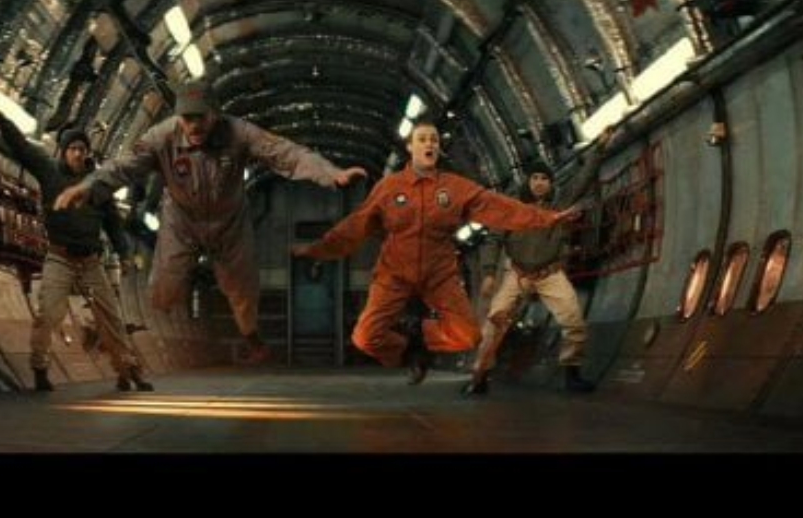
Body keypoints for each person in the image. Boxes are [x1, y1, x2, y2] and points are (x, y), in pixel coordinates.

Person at [53, 78, 367, 364]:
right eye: (186, 118)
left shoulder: (240, 133)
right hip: (181, 221)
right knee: (163, 290)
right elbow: (123, 166)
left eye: (199, 117)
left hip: (229, 222)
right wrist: (87, 187)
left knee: (242, 288)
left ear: (215, 114)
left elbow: (287, 154)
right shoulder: (162, 136)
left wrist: (331, 174)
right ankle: (128, 331)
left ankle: (251, 337)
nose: (193, 126)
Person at [291, 118, 576, 384]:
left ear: (438, 147)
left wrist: (548, 218)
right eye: (423, 139)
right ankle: (409, 348)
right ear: (410, 147)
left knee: (468, 336)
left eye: (434, 140)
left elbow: (498, 207)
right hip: (394, 272)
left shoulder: (454, 188)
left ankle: (422, 338)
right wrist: (318, 249)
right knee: (365, 338)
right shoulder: (389, 187)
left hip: (439, 273)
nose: (429, 144)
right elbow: (356, 225)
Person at [0, 112, 153, 392]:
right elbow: (22, 147)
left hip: (91, 262)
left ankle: (128, 371)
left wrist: (125, 253)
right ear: (64, 151)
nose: (78, 154)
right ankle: (40, 369)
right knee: (48, 314)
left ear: (87, 152)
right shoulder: (50, 172)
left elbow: (113, 223)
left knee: (112, 318)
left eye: (82, 149)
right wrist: (2, 121)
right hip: (60, 258)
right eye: (73, 149)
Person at [463, 126, 615, 396]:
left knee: (573, 320)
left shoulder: (559, 206)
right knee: (494, 323)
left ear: (551, 184)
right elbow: (493, 239)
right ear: (527, 181)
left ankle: (572, 374)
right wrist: (488, 273)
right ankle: (480, 376)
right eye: (534, 178)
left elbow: (582, 179)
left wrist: (599, 148)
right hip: (517, 275)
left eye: (544, 178)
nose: (539, 183)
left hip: (550, 274)